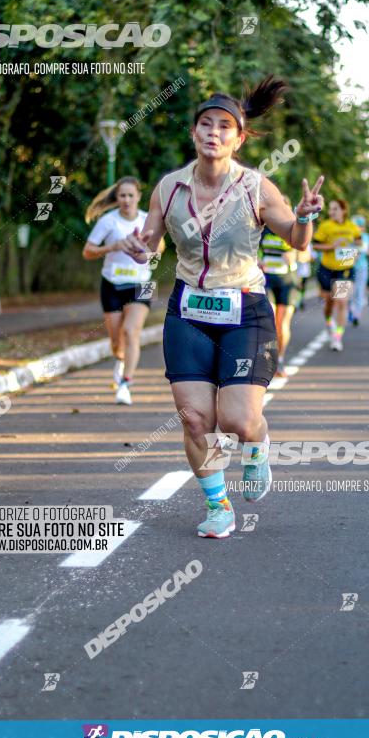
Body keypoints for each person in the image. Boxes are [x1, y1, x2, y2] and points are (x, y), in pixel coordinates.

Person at [120, 76, 324, 538]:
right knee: (196, 419)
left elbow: (295, 238)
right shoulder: (168, 189)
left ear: (239, 138)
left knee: (236, 420)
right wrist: (140, 249)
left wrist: (307, 217)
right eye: (206, 125)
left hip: (245, 309)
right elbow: (151, 244)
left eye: (224, 127)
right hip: (188, 310)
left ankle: (258, 444)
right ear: (194, 134)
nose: (214, 132)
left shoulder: (257, 188)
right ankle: (218, 507)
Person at [82, 176, 164, 405]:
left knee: (131, 332)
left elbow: (161, 247)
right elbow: (88, 252)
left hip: (143, 284)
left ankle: (126, 383)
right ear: (117, 198)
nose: (127, 200)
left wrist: (149, 249)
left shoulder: (148, 220)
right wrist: (114, 246)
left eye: (131, 195)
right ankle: (121, 359)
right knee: (117, 342)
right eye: (122, 196)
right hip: (112, 283)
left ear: (138, 196)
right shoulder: (108, 222)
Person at [258, 195, 300, 376]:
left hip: (288, 281)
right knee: (270, 321)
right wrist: (258, 260)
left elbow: (307, 254)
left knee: (282, 324)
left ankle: (280, 360)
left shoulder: (295, 230)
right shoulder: (263, 230)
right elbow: (251, 250)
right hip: (267, 279)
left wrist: (296, 257)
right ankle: (268, 361)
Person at [313, 199, 362, 351]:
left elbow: (360, 243)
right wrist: (331, 246)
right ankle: (329, 321)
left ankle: (337, 337)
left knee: (342, 302)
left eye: (335, 209)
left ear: (343, 210)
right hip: (327, 268)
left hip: (345, 269)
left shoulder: (352, 227)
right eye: (331, 209)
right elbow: (315, 245)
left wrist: (355, 252)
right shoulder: (325, 226)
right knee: (329, 303)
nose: (331, 212)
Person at [350, 215, 369, 326]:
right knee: (348, 293)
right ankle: (349, 310)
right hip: (348, 268)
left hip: (362, 268)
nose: (358, 228)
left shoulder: (366, 237)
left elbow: (363, 249)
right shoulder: (349, 236)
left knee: (359, 291)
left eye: (360, 226)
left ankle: (356, 315)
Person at [296, 245, 312, 310]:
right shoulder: (293, 243)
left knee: (302, 288)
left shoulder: (308, 245)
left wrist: (306, 258)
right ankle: (296, 303)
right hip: (296, 271)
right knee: (296, 287)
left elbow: (312, 257)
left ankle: (300, 302)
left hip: (305, 272)